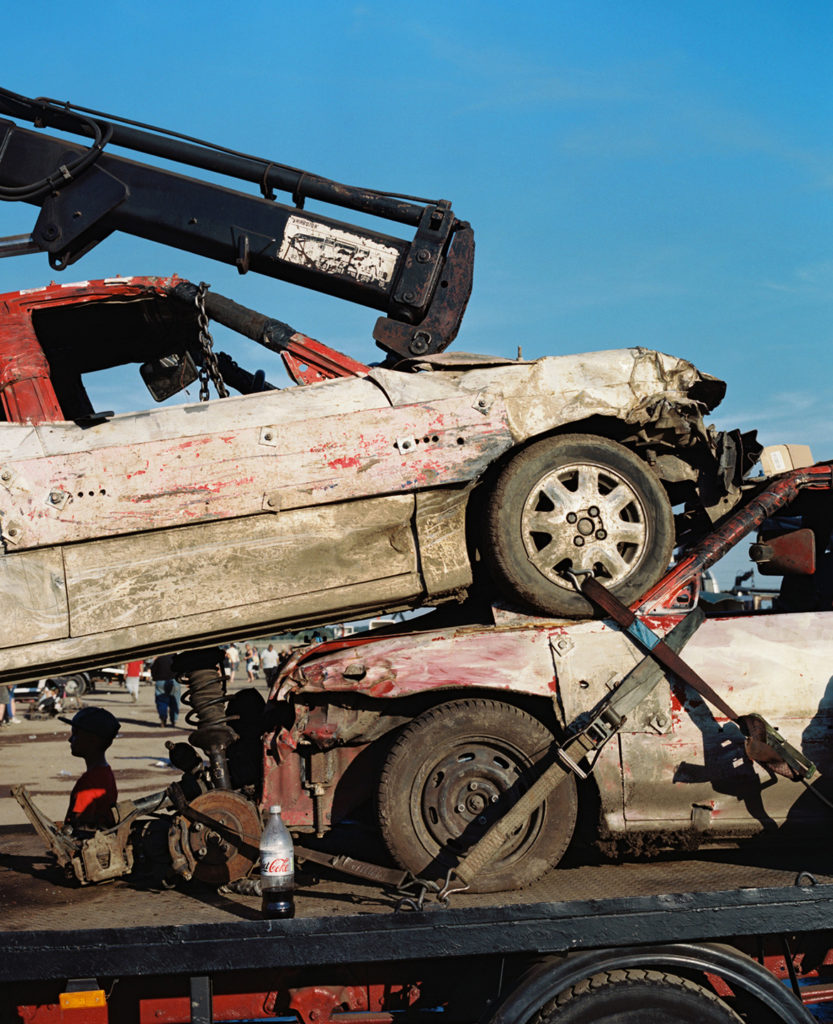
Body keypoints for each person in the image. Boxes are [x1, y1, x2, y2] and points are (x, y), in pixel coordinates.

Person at [58, 706, 120, 830]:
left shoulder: (88, 783)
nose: (70, 739)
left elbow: (80, 827)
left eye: (75, 734)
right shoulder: (105, 772)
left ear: (92, 740)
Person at [151, 653, 180, 727]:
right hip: (174, 681)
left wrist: (155, 677)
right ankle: (174, 719)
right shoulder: (175, 657)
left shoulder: (159, 658)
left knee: (161, 701)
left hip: (160, 681)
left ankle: (163, 718)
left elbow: (153, 670)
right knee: (175, 701)